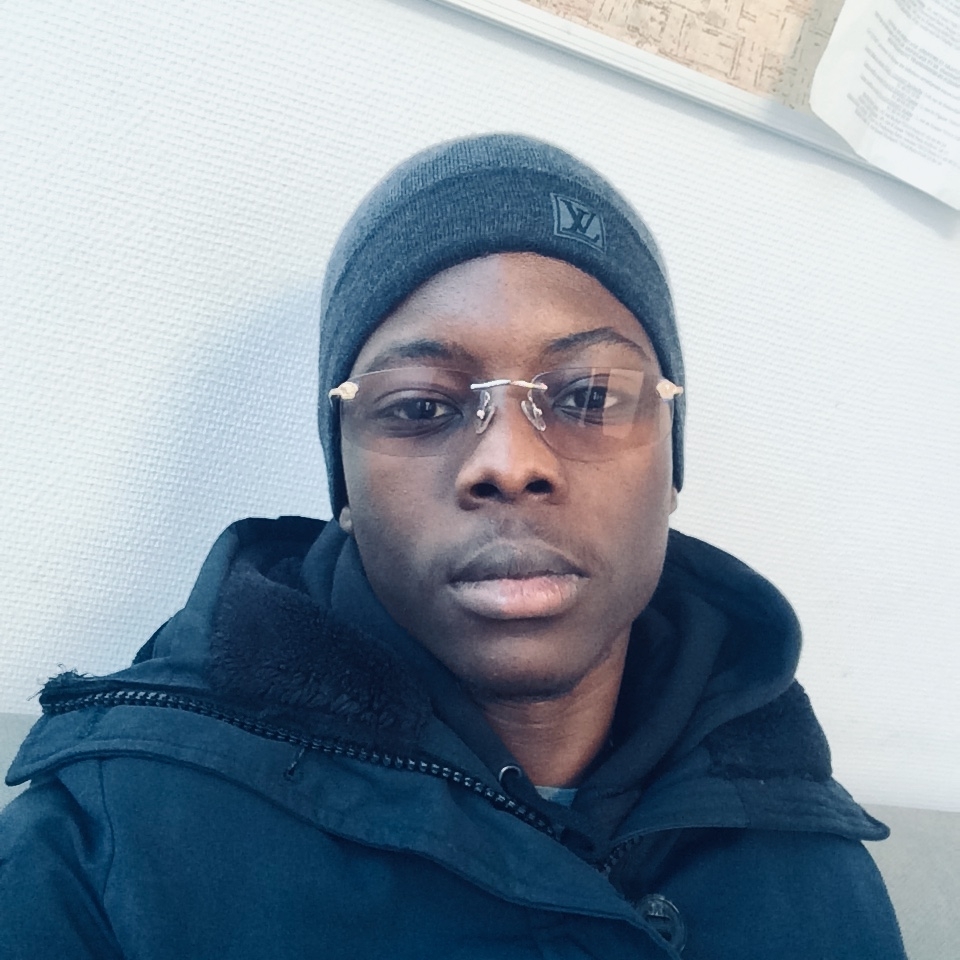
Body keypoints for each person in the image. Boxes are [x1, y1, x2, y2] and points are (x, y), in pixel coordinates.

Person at [0, 134, 905, 959]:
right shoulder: (106, 853)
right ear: (344, 485)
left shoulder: (814, 867)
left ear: (671, 460)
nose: (510, 463)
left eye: (589, 397)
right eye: (423, 406)